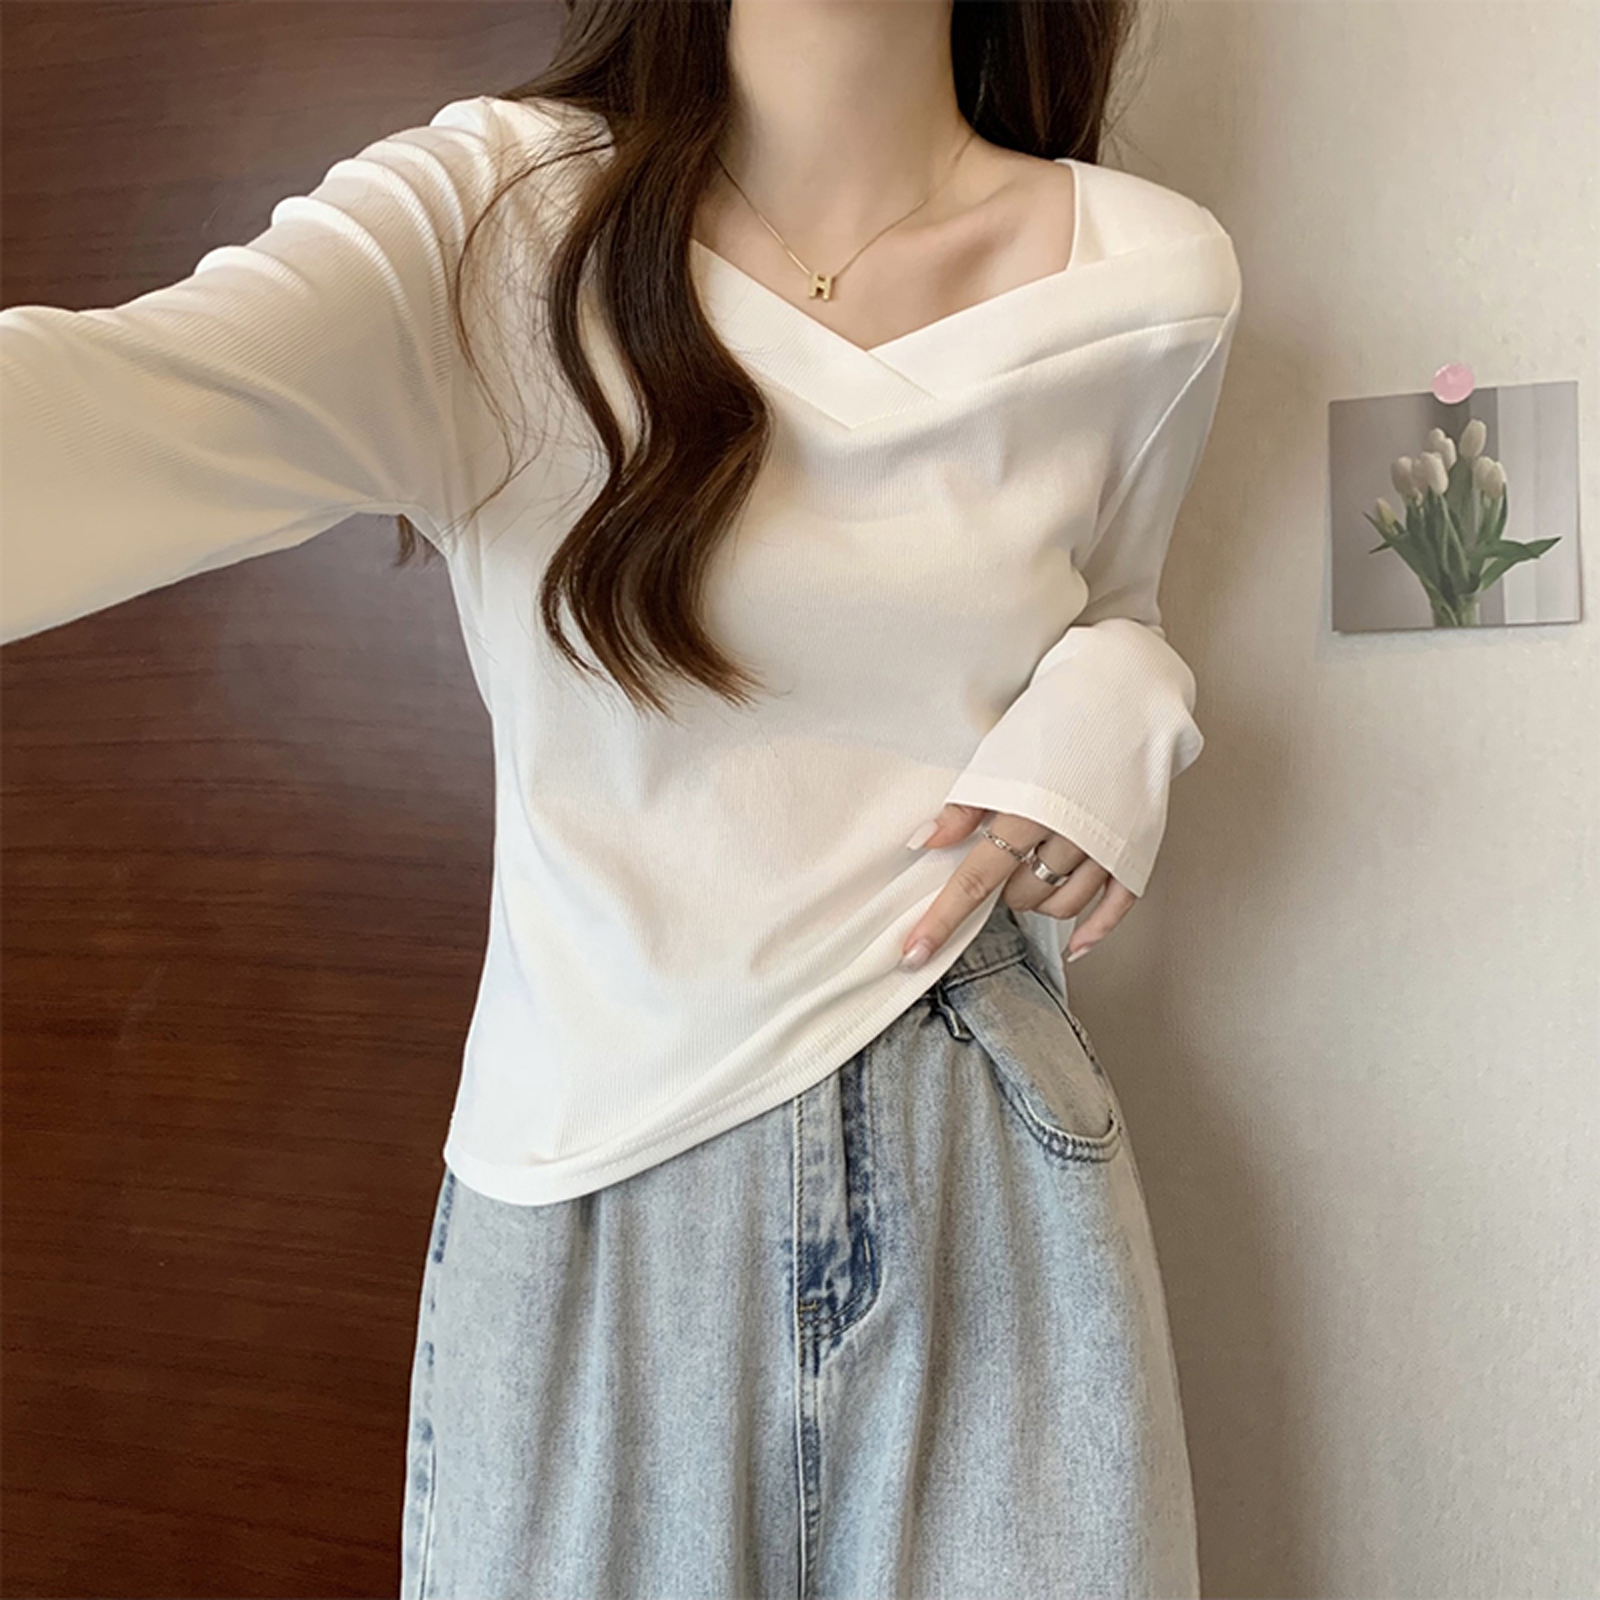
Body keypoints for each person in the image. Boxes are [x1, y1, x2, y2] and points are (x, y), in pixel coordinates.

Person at [0, 0, 1242, 1594]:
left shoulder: (1150, 280)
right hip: (594, 1179)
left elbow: (1115, 603)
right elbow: (121, 413)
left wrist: (1130, 699)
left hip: (983, 1151)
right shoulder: (496, 222)